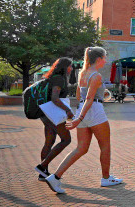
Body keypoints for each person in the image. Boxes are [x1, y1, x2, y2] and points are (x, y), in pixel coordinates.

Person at [45, 47, 123, 194]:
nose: (105, 60)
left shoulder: (82, 74)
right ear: (99, 59)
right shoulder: (96, 76)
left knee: (81, 148)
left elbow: (81, 97)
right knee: (105, 146)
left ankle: (55, 177)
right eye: (104, 58)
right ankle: (106, 178)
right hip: (94, 111)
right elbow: (89, 98)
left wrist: (79, 116)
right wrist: (79, 118)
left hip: (83, 110)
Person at [34, 58, 75, 182]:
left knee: (49, 142)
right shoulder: (59, 79)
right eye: (70, 66)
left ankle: (43, 174)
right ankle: (42, 166)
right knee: (66, 139)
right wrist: (67, 110)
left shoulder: (49, 78)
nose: (71, 68)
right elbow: (55, 98)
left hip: (44, 113)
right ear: (64, 67)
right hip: (53, 114)